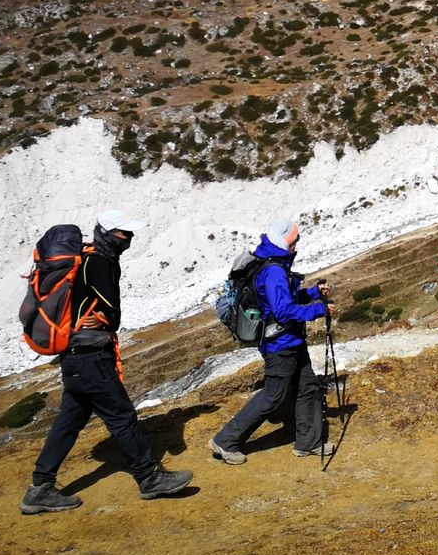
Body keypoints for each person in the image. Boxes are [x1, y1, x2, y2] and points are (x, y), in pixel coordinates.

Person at [20, 213, 193, 514]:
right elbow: (113, 314)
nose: (129, 239)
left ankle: (40, 488)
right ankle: (149, 478)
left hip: (74, 358)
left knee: (68, 422)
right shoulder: (101, 262)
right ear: (109, 234)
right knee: (121, 415)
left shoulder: (85, 258)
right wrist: (102, 318)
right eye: (124, 234)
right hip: (91, 357)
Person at [210, 217, 332, 464]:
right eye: (294, 239)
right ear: (284, 240)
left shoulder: (274, 264)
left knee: (308, 386)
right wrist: (319, 309)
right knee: (274, 395)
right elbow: (283, 311)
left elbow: (289, 298)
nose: (297, 244)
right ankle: (225, 441)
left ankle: (308, 443)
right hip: (280, 344)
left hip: (291, 341)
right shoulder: (274, 271)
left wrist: (313, 293)